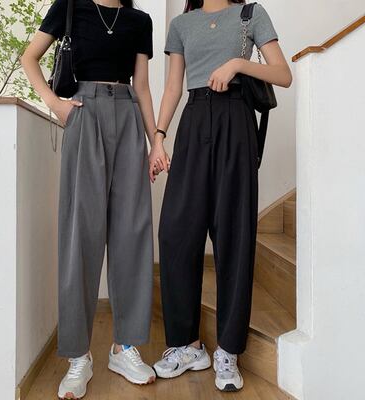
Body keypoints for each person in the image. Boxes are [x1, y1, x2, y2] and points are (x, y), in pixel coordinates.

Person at [150, 0, 292, 392]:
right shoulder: (182, 24)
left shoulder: (251, 14)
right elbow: (174, 87)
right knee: (176, 233)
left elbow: (282, 74)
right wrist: (159, 138)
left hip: (236, 120)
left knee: (234, 236)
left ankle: (228, 351)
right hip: (194, 120)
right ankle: (186, 345)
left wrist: (238, 64)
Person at [21, 0, 160, 398]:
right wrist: (55, 104)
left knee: (132, 234)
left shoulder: (140, 20)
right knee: (80, 235)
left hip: (128, 116)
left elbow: (142, 86)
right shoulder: (70, 7)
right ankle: (78, 356)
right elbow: (30, 57)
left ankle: (125, 346)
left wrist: (156, 141)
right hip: (84, 114)